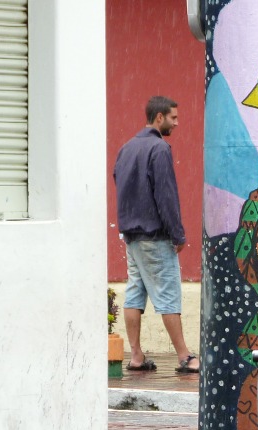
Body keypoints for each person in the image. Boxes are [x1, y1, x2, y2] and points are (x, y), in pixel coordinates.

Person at [113, 95, 199, 373]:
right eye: (173, 117)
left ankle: (136, 356)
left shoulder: (126, 148)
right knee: (168, 296)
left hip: (132, 236)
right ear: (158, 117)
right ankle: (185, 356)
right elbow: (166, 196)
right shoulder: (159, 148)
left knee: (134, 294)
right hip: (155, 235)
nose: (177, 122)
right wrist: (178, 235)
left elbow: (119, 183)